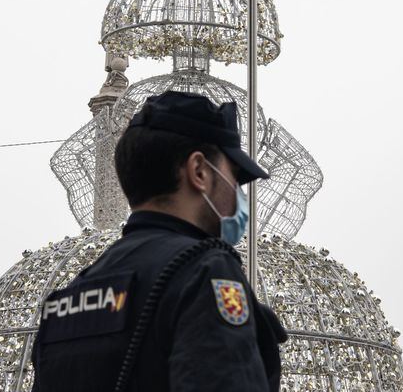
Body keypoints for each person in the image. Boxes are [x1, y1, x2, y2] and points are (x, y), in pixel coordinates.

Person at [31, 91, 287, 391]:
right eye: (235, 178)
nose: (240, 196)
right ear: (200, 171)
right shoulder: (204, 271)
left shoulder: (70, 296)